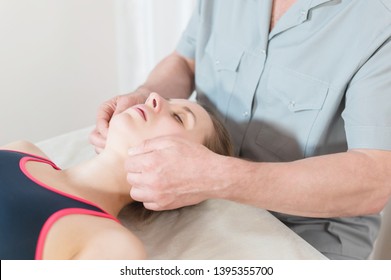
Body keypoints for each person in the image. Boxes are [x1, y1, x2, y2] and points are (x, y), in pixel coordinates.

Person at [90, 0, 391, 259]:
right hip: (198, 204)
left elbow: (375, 179)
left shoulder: (378, 24)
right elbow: (184, 60)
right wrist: (146, 93)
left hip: (308, 232)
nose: (158, 102)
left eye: (179, 116)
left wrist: (216, 177)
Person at [0, 92, 234, 260]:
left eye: (178, 118)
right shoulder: (22, 150)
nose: (154, 97)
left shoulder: (116, 248)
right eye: (167, 99)